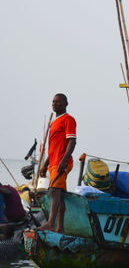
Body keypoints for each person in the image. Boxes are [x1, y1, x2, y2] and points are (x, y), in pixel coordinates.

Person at [38, 93, 77, 233]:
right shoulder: (54, 122)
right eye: (53, 102)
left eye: (59, 102)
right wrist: (44, 165)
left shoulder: (68, 119)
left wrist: (64, 160)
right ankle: (60, 228)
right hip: (53, 162)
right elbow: (52, 148)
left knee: (54, 191)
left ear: (66, 103)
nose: (55, 104)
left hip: (62, 163)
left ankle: (50, 223)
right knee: (59, 195)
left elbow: (72, 141)